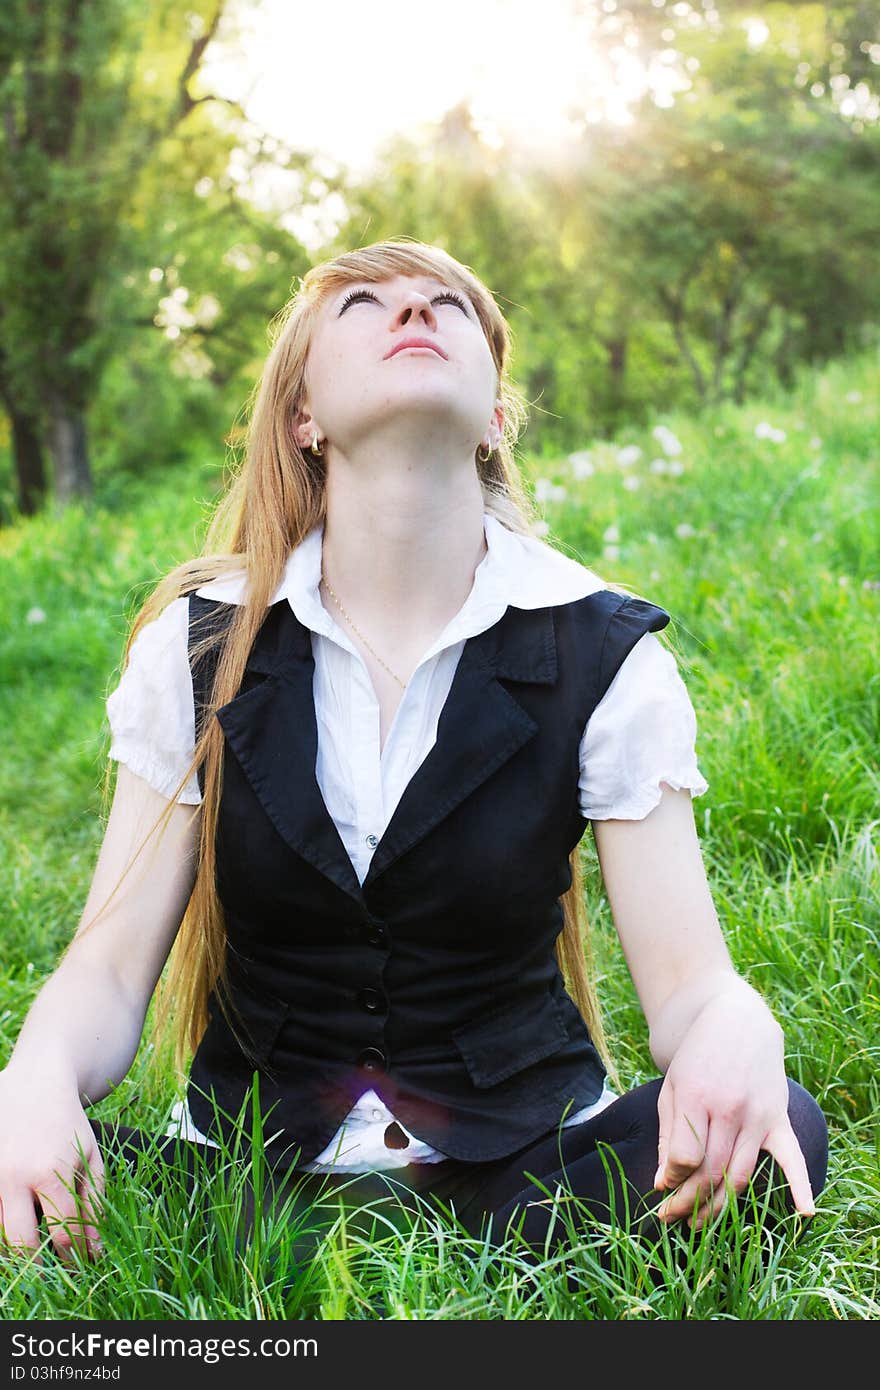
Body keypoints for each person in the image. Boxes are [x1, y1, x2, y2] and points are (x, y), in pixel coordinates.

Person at [0, 239, 827, 1280]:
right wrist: (33, 1079)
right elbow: (109, 974)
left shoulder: (604, 653)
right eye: (364, 303)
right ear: (303, 416)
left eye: (447, 303)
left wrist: (739, 1028)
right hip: (242, 1173)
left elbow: (692, 990)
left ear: (491, 417)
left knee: (774, 1128)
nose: (414, 311)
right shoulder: (200, 647)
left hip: (524, 1165)